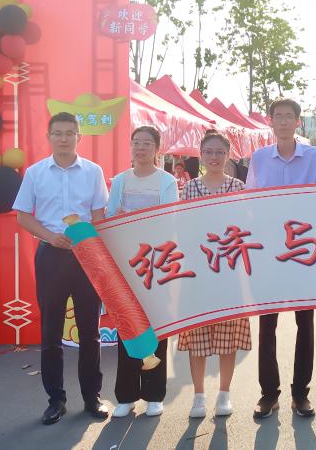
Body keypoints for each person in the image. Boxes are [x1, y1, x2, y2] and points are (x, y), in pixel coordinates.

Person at [12, 112, 110, 425]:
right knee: (51, 331)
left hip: (86, 257)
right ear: (49, 137)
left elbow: (99, 215)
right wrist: (49, 236)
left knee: (90, 332)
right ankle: (55, 400)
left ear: (79, 137)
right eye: (58, 133)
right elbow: (23, 215)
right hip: (50, 256)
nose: (64, 138)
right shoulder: (35, 172)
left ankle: (92, 397)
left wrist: (94, 246)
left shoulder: (93, 172)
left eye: (70, 133)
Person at [246, 98, 316, 419]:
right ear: (270, 121)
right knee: (267, 324)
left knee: (304, 323)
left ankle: (301, 393)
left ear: (298, 122)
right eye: (277, 116)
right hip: (269, 253)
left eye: (288, 116)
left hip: (304, 252)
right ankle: (269, 394)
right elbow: (250, 202)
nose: (282, 121)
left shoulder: (315, 158)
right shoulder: (259, 158)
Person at [177, 129, 252, 419]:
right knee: (197, 334)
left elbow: (243, 226)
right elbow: (184, 226)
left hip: (229, 269)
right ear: (200, 155)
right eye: (208, 152)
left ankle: (224, 393)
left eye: (220, 152)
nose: (214, 157)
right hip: (198, 269)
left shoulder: (237, 186)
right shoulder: (190, 188)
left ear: (228, 155)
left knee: (227, 335)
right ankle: (198, 395)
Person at [107, 126, 178, 419]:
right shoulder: (120, 180)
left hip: (155, 261)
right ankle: (125, 395)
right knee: (127, 324)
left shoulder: (167, 181)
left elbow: (169, 219)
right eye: (136, 142)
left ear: (157, 148)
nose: (140, 148)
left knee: (156, 326)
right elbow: (110, 216)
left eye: (147, 143)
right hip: (125, 261)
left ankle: (154, 394)